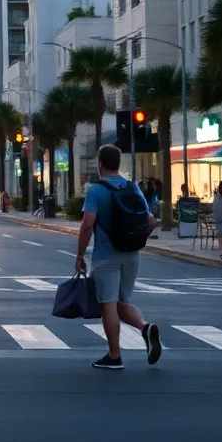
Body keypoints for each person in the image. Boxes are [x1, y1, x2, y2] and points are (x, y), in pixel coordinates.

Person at [74, 145, 161, 371]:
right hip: (132, 255)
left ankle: (114, 356)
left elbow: (87, 225)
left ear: (100, 164)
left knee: (108, 306)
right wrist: (139, 239)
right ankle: (145, 327)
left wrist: (80, 255)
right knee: (123, 302)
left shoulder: (95, 191)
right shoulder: (133, 188)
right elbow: (151, 220)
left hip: (106, 256)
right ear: (118, 163)